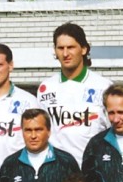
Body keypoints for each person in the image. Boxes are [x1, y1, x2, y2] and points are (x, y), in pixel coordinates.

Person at [37, 22, 111, 161]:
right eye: (60, 48)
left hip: (92, 166)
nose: (65, 54)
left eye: (71, 47)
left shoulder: (104, 86)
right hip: (56, 167)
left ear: (83, 49)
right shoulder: (45, 88)